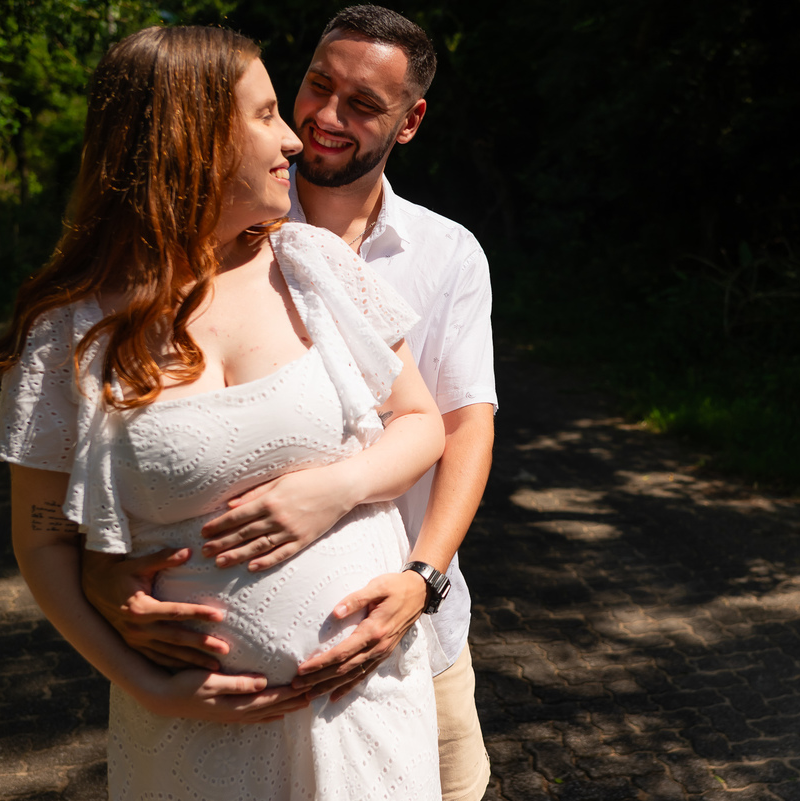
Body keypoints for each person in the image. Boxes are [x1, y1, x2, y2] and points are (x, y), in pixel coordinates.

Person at [0, 25, 446, 800]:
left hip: (367, 716)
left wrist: (337, 487)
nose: (293, 138)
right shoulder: (70, 329)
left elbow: (421, 420)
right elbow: (43, 538)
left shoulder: (313, 267)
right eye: (264, 116)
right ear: (187, 139)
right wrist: (143, 682)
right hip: (195, 738)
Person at [82, 7, 498, 800]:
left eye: (363, 105)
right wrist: (100, 573)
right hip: (211, 713)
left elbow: (461, 426)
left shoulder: (447, 253)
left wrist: (422, 577)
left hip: (413, 624)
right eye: (316, 86)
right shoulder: (240, 215)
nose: (323, 120)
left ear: (410, 122)